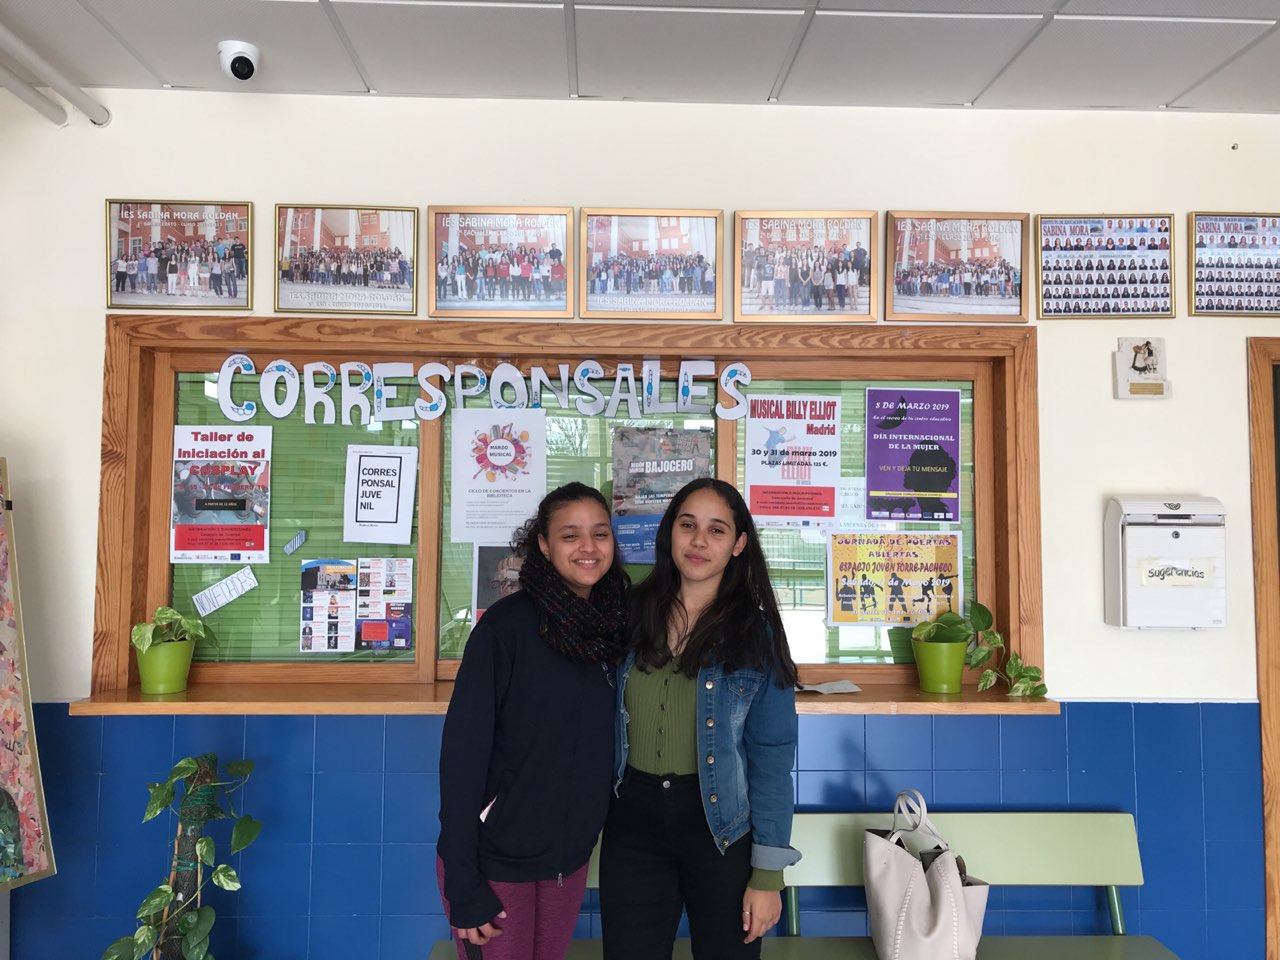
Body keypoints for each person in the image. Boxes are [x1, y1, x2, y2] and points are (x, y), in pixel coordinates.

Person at [601, 477, 800, 960]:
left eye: (716, 530)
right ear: (670, 532)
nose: (698, 541)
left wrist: (768, 874)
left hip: (720, 827)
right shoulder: (627, 614)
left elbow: (772, 755)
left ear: (738, 545)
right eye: (688, 525)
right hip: (632, 823)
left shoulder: (756, 633)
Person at [437, 482, 629, 960]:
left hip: (567, 860)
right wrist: (463, 883)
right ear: (543, 545)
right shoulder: (506, 628)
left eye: (600, 534)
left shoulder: (615, 628)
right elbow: (462, 756)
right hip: (495, 859)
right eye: (570, 535)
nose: (588, 547)